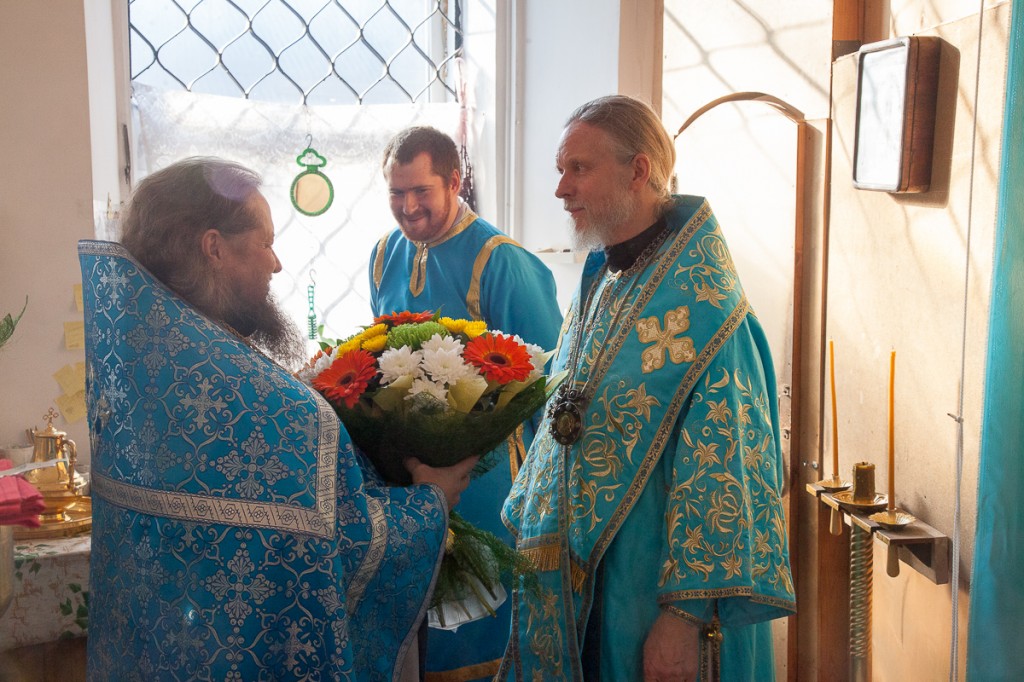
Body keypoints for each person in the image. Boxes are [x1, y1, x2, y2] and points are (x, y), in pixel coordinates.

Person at [80, 157, 478, 681]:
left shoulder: (129, 372)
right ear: (214, 247)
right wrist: (430, 502)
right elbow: (346, 549)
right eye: (265, 243)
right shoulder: (279, 410)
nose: (277, 264)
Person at [498, 96, 796, 681]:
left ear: (638, 170)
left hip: (650, 594)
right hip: (583, 582)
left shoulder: (709, 313)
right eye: (560, 169)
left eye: (578, 168)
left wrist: (683, 619)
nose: (561, 188)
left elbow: (728, 471)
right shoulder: (606, 278)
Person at [368, 127, 563, 681]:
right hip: (408, 477)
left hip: (489, 477)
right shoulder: (383, 254)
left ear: (454, 182)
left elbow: (549, 383)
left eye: (421, 191)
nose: (408, 207)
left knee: (483, 634)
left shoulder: (502, 261)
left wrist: (547, 496)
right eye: (396, 193)